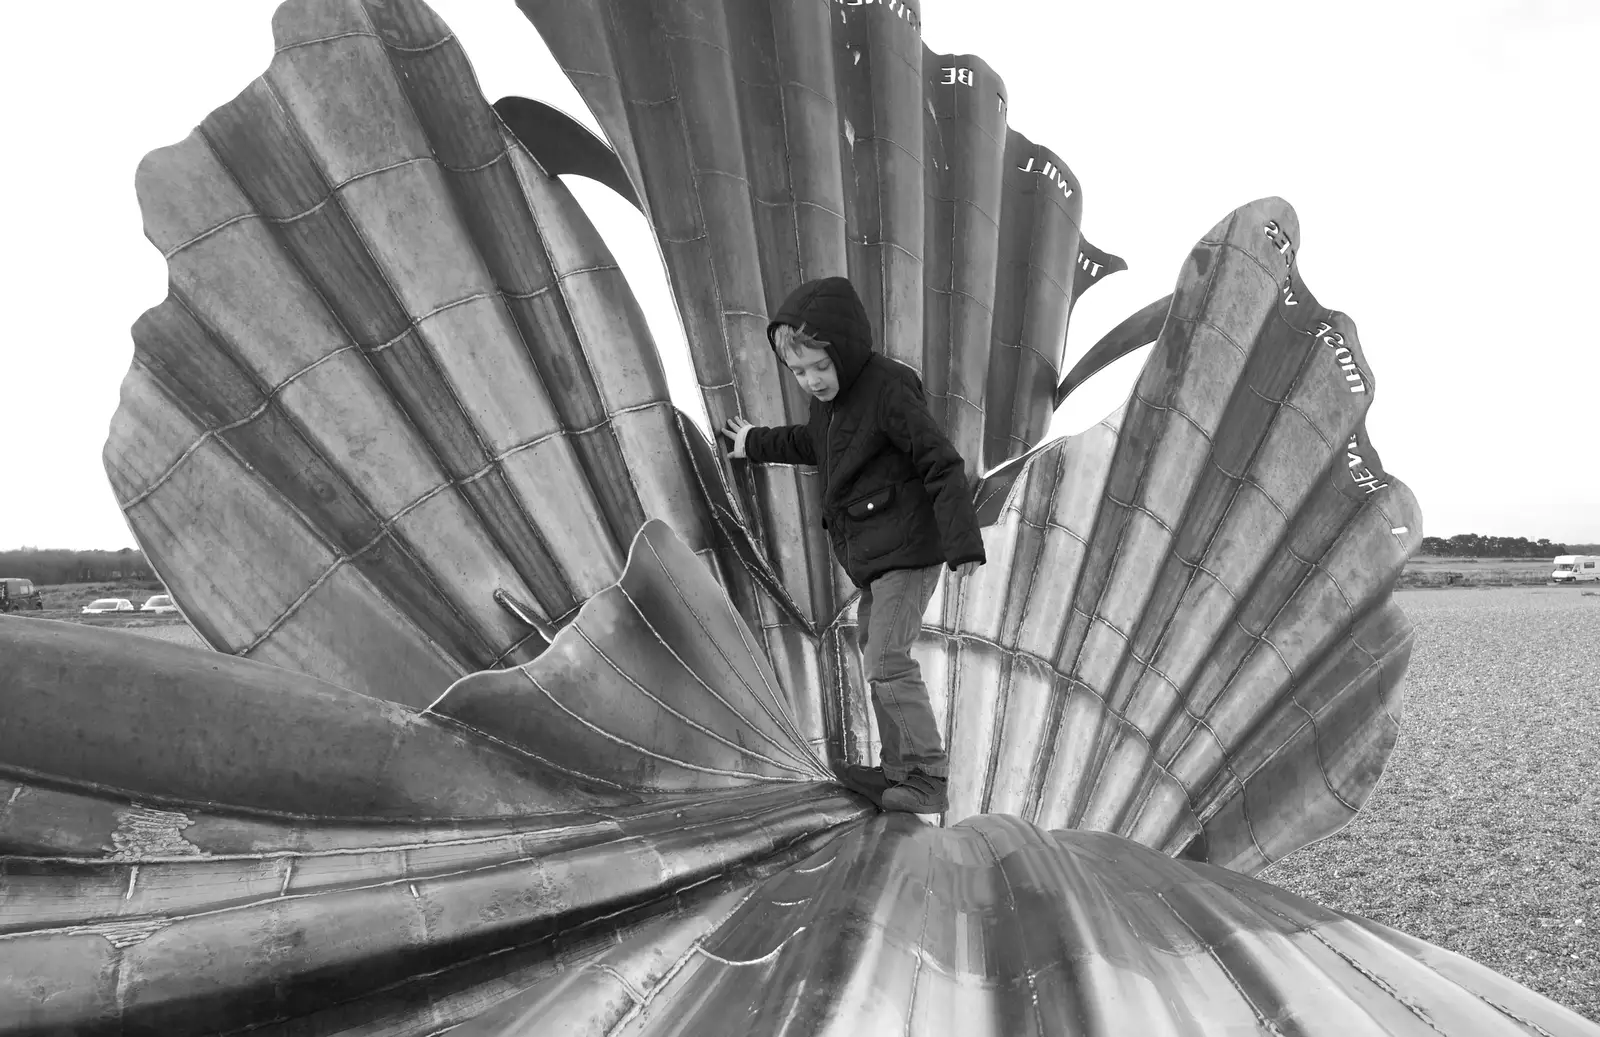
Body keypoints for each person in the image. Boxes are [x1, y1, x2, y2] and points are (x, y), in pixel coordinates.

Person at [719, 276, 985, 814]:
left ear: (847, 350)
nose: (812, 380)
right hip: (876, 557)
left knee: (886, 658)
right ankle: (897, 770)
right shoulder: (829, 407)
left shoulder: (888, 389)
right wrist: (753, 442)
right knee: (876, 654)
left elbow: (940, 461)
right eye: (799, 371)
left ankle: (927, 775)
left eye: (821, 365)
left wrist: (962, 542)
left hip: (910, 554)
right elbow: (808, 442)